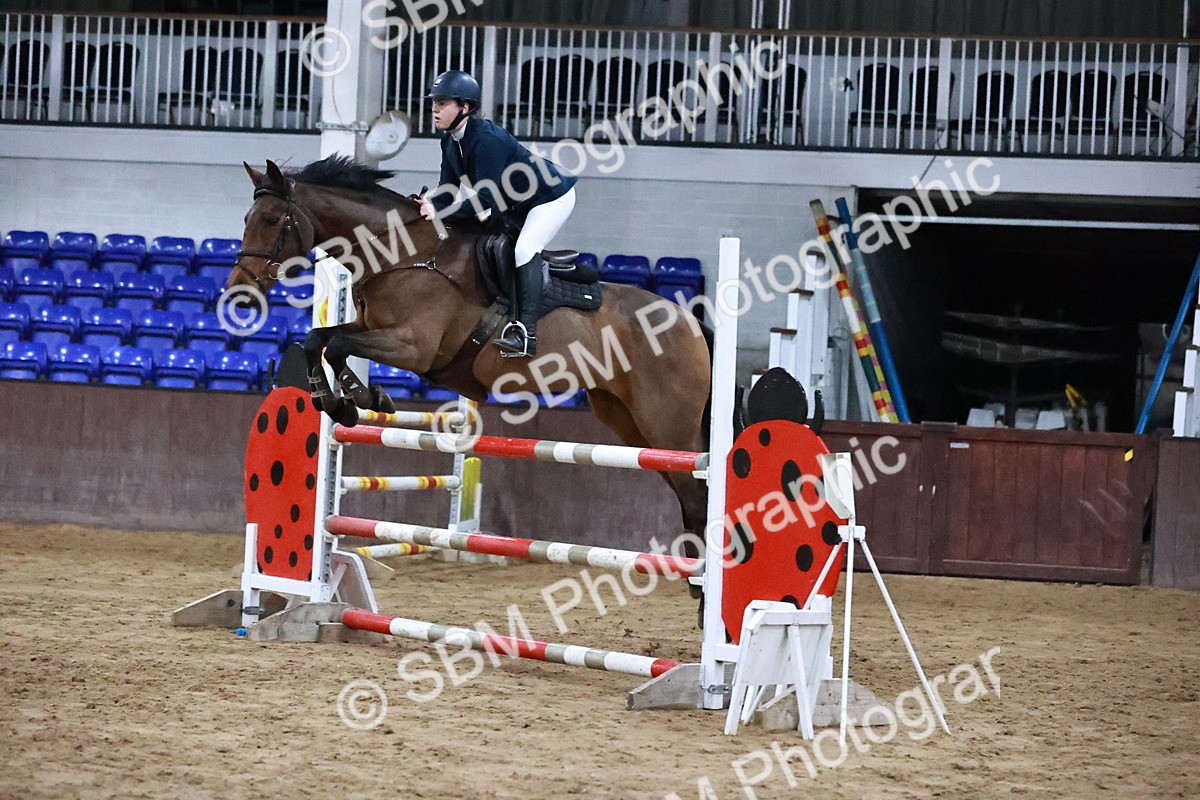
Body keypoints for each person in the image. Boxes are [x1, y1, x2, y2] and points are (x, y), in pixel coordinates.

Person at [419, 69, 578, 358]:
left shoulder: (486, 139)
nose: (434, 109)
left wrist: (441, 213)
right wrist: (426, 206)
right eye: (434, 103)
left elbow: (485, 200)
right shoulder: (450, 142)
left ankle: (526, 334)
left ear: (465, 108)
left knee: (524, 249)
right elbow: (448, 190)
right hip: (514, 204)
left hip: (550, 196)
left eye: (442, 103)